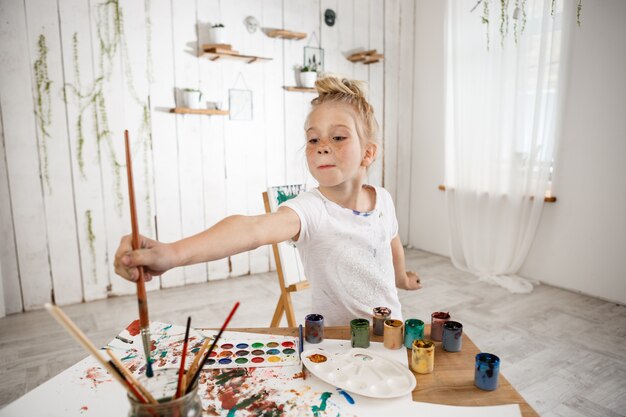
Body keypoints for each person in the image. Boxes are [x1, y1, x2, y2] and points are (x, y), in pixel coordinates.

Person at [114, 76, 421, 326]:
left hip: (390, 335)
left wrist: (402, 278)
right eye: (313, 139)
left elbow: (390, 244)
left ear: (368, 152)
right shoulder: (310, 211)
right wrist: (173, 253)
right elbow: (253, 229)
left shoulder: (383, 200)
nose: (322, 146)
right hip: (335, 347)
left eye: (338, 137)